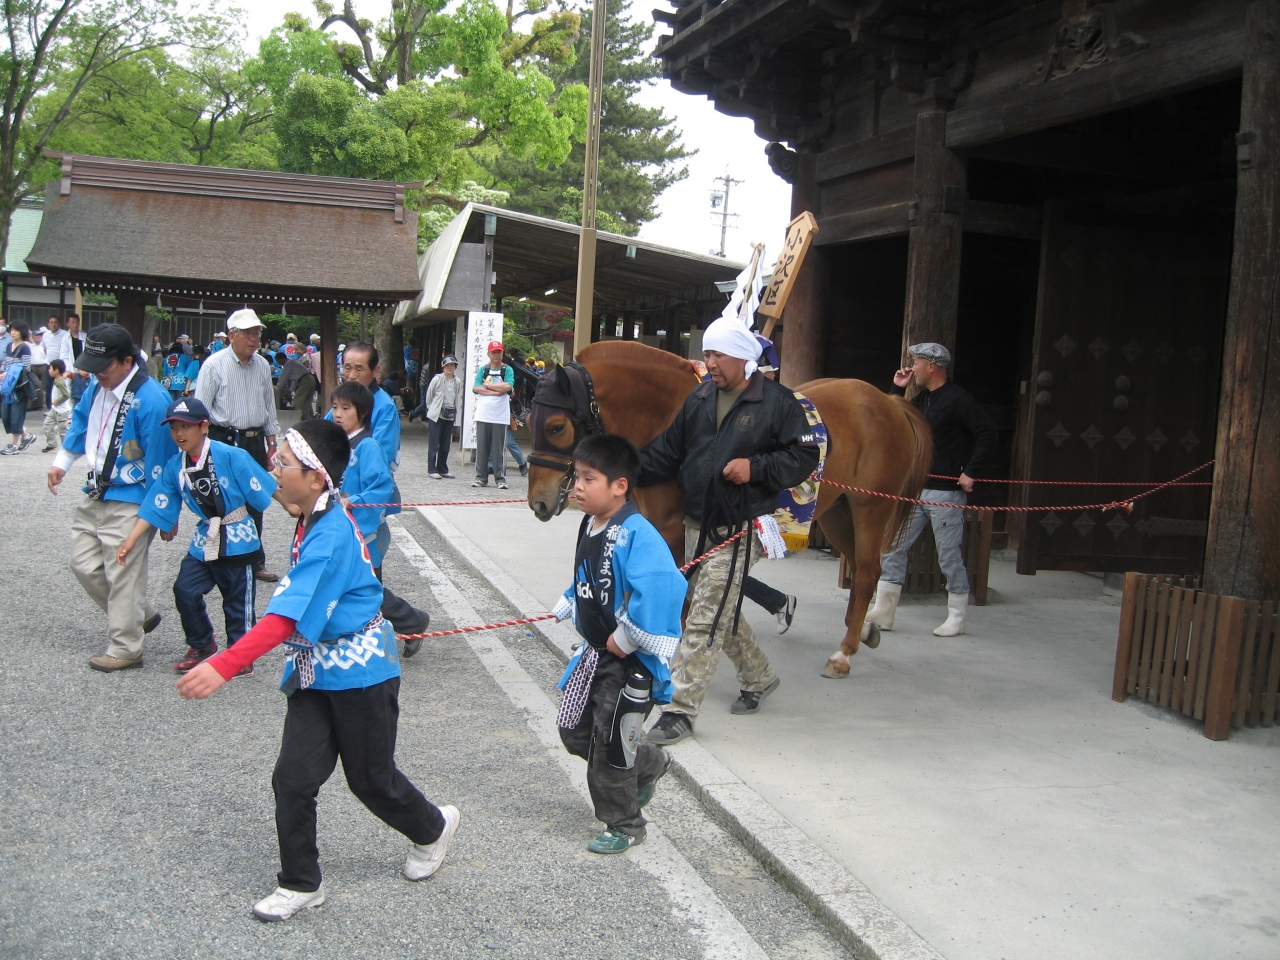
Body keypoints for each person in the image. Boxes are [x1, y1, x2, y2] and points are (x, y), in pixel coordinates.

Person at [175, 418, 460, 922]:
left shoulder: (328, 535)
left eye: (283, 463)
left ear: (315, 477)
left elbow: (284, 618)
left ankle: (433, 827)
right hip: (315, 668)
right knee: (293, 777)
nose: (274, 469)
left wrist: (223, 664)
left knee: (370, 779)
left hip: (362, 672)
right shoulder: (312, 513)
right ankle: (301, 882)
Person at [639, 316, 821, 745]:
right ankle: (759, 677)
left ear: (743, 357)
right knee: (716, 605)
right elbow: (667, 452)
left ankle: (680, 712)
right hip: (695, 523)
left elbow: (803, 459)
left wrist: (755, 468)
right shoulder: (699, 397)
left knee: (704, 617)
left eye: (717, 354)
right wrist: (619, 471)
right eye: (706, 354)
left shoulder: (777, 402)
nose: (710, 362)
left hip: (743, 526)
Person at [551, 434, 685, 853]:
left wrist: (628, 636)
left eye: (588, 479)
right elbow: (588, 577)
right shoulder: (589, 524)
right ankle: (650, 763)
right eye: (577, 476)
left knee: (611, 745)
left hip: (630, 662)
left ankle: (624, 823)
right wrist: (570, 600)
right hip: (594, 656)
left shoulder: (638, 534)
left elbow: (664, 589)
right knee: (574, 732)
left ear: (620, 486)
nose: (577, 486)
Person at [116, 397, 278, 676]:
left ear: (204, 427)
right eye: (175, 428)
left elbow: (265, 485)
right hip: (205, 539)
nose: (180, 434)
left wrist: (296, 507)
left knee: (237, 601)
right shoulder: (174, 466)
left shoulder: (230, 455)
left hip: (238, 536)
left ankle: (241, 654)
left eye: (186, 427)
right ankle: (202, 644)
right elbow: (157, 502)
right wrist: (130, 541)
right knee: (184, 589)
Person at [47, 324, 176, 672]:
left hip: (133, 498)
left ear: (127, 361)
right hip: (97, 488)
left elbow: (161, 464)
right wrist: (62, 461)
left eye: (104, 365)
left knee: (122, 572)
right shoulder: (98, 385)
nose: (96, 372)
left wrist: (164, 514)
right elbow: (81, 420)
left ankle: (125, 646)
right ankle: (138, 615)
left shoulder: (151, 400)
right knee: (82, 563)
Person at [864, 342, 998, 638]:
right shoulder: (922, 398)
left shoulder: (958, 399)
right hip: (916, 488)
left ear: (931, 366)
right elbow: (893, 421)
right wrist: (897, 389)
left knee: (949, 555)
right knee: (892, 545)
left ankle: (957, 616)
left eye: (916, 363)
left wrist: (970, 471)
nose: (911, 368)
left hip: (946, 491)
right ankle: (884, 610)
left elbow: (987, 432)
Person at [325, 343, 430, 639]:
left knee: (364, 581)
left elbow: (379, 464)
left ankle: (399, 626)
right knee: (355, 579)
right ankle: (391, 627)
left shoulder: (381, 409)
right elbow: (320, 439)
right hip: (340, 504)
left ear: (375, 371)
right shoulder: (342, 401)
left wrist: (351, 498)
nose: (352, 374)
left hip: (362, 505)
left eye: (360, 368)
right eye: (347, 367)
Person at [195, 309, 281, 583]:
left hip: (254, 440)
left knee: (256, 500)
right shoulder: (213, 365)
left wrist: (271, 442)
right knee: (223, 500)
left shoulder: (262, 365)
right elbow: (201, 410)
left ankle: (255, 561)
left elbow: (269, 406)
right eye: (247, 333)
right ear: (231, 336)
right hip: (223, 438)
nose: (254, 338)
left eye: (257, 332)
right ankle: (216, 556)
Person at [471, 341, 514, 489]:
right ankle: (480, 477)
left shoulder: (507, 369)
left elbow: (508, 386)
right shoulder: (483, 369)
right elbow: (476, 388)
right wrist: (497, 391)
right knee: (482, 447)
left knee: (498, 448)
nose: (496, 355)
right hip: (483, 414)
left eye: (499, 352)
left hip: (500, 415)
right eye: (494, 352)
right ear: (488, 354)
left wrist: (488, 385)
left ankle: (500, 478)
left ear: (502, 353)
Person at [415, 355, 459, 479]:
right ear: (443, 367)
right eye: (447, 365)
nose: (450, 368)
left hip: (449, 414)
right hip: (436, 414)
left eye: (452, 365)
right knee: (434, 443)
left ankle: (443, 468)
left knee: (446, 443)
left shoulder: (457, 381)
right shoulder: (437, 379)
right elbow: (429, 395)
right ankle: (432, 469)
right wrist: (431, 408)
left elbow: (456, 396)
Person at [1, 321, 38, 453]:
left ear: (22, 332)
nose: (13, 332)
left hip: (19, 387)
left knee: (16, 415)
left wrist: (9, 373)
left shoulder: (25, 347)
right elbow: (4, 364)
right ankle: (26, 436)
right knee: (6, 415)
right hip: (7, 386)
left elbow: (27, 368)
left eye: (16, 330)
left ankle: (14, 445)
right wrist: (2, 374)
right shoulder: (9, 346)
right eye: (11, 330)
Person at [41, 358, 72, 452]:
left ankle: (66, 447)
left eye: (51, 369)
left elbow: (66, 395)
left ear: (56, 370)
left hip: (62, 411)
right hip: (55, 409)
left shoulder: (60, 382)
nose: (49, 371)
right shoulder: (57, 381)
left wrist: (57, 401)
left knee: (63, 430)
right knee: (47, 425)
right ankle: (52, 443)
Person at [61, 314, 89, 404]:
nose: (75, 325)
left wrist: (85, 368)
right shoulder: (65, 338)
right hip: (72, 370)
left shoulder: (85, 336)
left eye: (77, 322)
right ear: (68, 324)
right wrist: (68, 370)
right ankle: (71, 416)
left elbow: (89, 354)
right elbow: (64, 356)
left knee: (85, 394)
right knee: (72, 395)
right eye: (72, 322)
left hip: (84, 369)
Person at [28, 328, 48, 411]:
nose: (38, 337)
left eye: (40, 335)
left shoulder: (44, 346)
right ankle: (35, 404)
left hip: (43, 366)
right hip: (33, 366)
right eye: (36, 335)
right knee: (36, 385)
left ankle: (45, 403)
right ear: (32, 336)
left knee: (44, 386)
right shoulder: (30, 346)